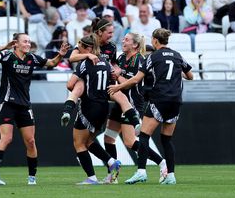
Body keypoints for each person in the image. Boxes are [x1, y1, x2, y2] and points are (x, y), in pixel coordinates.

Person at [108, 28, 194, 185]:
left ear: (155, 40)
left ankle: (141, 171)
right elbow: (190, 76)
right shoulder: (177, 55)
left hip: (158, 100)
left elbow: (135, 80)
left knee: (144, 136)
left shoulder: (152, 57)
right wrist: (175, 72)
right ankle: (171, 176)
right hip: (175, 101)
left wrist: (117, 87)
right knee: (167, 140)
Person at [0, 33, 69, 186]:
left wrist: (60, 55)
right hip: (8, 104)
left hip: (24, 106)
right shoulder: (7, 56)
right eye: (25, 41)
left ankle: (32, 177)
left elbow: (51, 63)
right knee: (7, 138)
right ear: (16, 43)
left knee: (30, 141)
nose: (28, 44)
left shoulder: (32, 58)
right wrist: (5, 46)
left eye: (29, 41)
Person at [103, 32, 167, 184]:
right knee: (108, 138)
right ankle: (113, 176)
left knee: (130, 142)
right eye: (123, 38)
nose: (123, 41)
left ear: (135, 45)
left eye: (126, 39)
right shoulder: (120, 58)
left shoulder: (139, 60)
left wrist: (116, 75)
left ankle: (161, 162)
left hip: (131, 104)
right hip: (119, 103)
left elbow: (129, 81)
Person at [65, 35, 121, 185]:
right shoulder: (106, 62)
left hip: (89, 106)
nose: (78, 48)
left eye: (80, 45)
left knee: (79, 143)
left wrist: (80, 85)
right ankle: (111, 162)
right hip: (104, 107)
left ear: (88, 48)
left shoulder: (84, 64)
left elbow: (70, 85)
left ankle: (91, 177)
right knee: (89, 141)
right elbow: (113, 79)